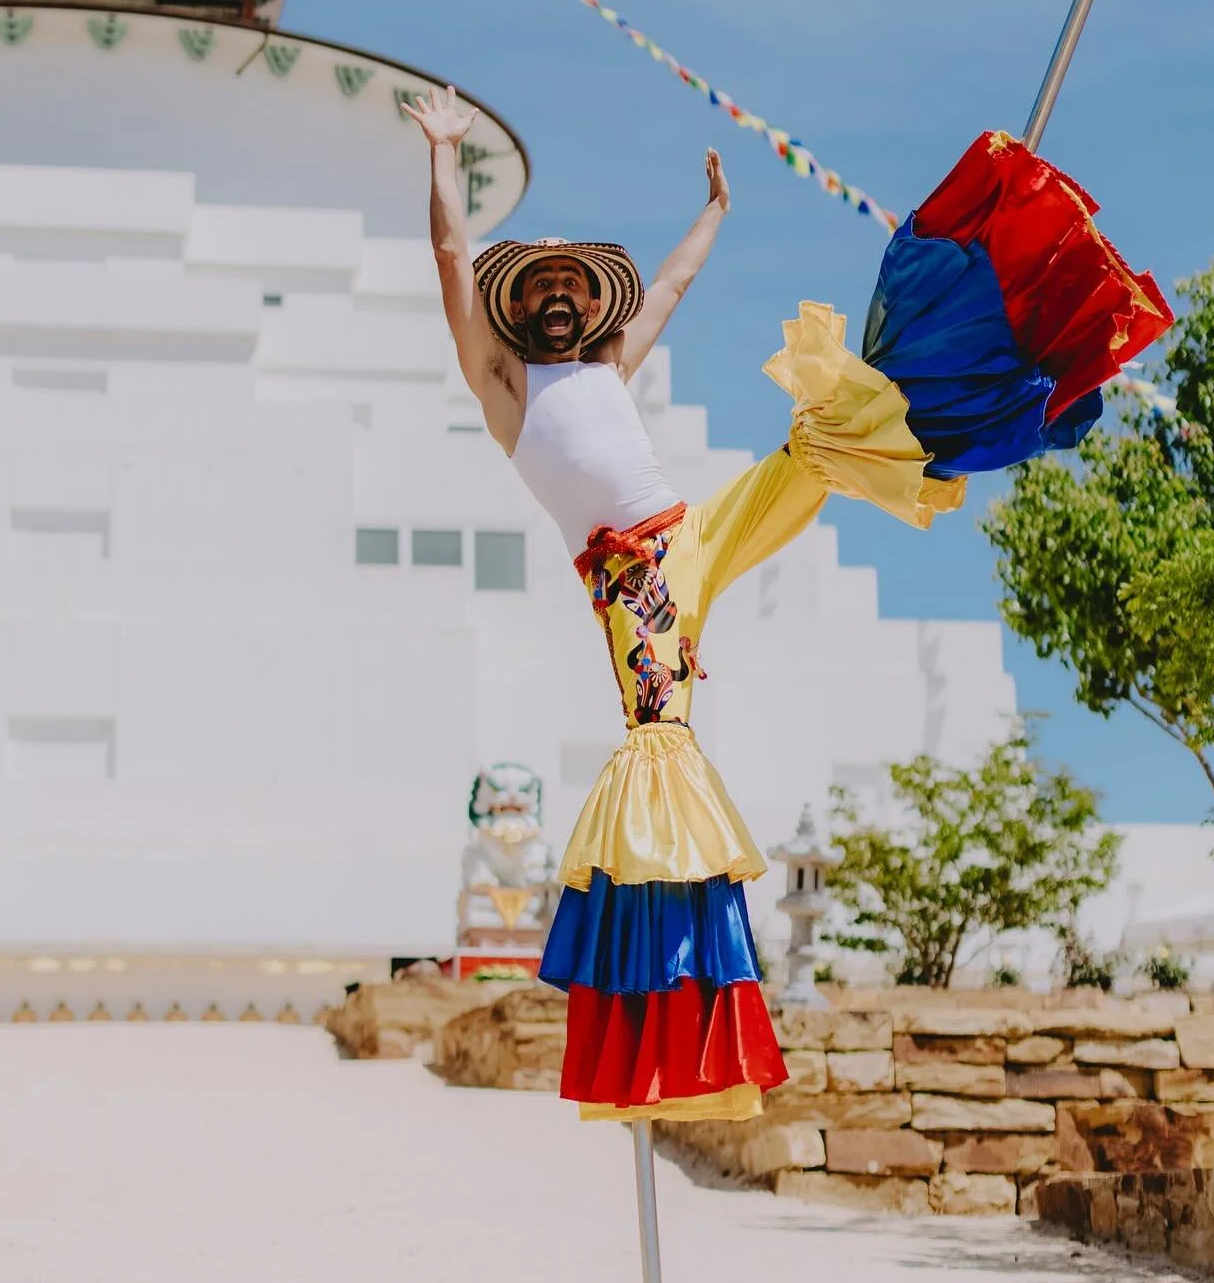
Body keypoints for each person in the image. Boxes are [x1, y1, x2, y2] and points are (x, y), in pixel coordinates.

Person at [403, 84, 962, 1124]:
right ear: (519, 309)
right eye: (544, 290)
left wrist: (714, 212)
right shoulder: (506, 389)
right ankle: (664, 995)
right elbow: (449, 263)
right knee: (660, 744)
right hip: (629, 581)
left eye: (575, 286)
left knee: (814, 450)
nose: (561, 298)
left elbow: (669, 286)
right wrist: (443, 155)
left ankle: (945, 379)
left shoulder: (610, 362)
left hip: (690, 535)